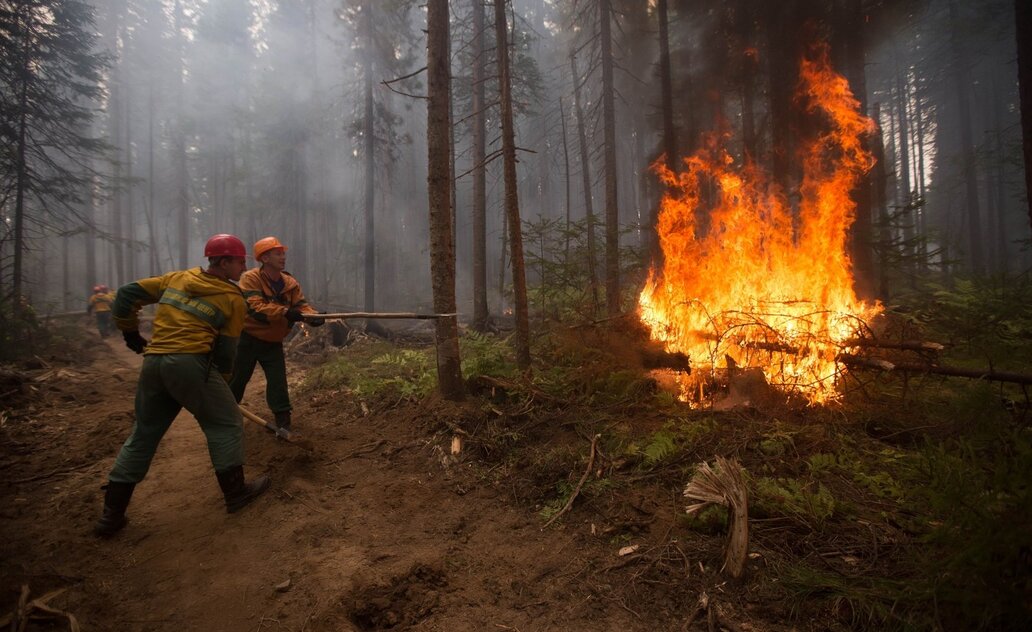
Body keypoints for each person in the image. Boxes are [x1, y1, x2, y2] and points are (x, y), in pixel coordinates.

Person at [94, 234, 270, 538]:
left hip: (154, 364)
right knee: (226, 423)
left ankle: (111, 516)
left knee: (144, 432)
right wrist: (221, 387)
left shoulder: (177, 278)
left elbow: (125, 294)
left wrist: (130, 334)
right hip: (190, 364)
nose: (243, 267)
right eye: (240, 261)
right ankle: (236, 493)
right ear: (224, 261)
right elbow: (228, 352)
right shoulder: (232, 299)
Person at [229, 236, 323, 432]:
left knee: (278, 382)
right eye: (277, 254)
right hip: (247, 339)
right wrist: (284, 312)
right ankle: (226, 417)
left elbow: (300, 306)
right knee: (238, 379)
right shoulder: (250, 278)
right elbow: (254, 308)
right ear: (265, 258)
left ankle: (283, 424)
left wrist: (312, 316)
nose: (283, 257)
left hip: (273, 341)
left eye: (283, 253)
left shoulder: (289, 282)